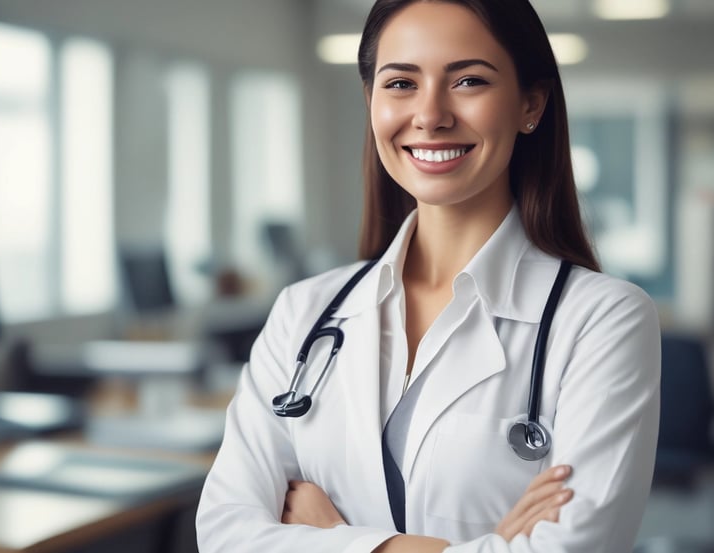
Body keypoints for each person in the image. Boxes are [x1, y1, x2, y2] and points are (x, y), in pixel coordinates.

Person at [195, 0, 661, 551]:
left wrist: (333, 537)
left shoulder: (602, 320)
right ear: (371, 103)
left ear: (530, 105)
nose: (431, 114)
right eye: (400, 84)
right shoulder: (304, 310)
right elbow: (226, 534)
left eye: (468, 80)